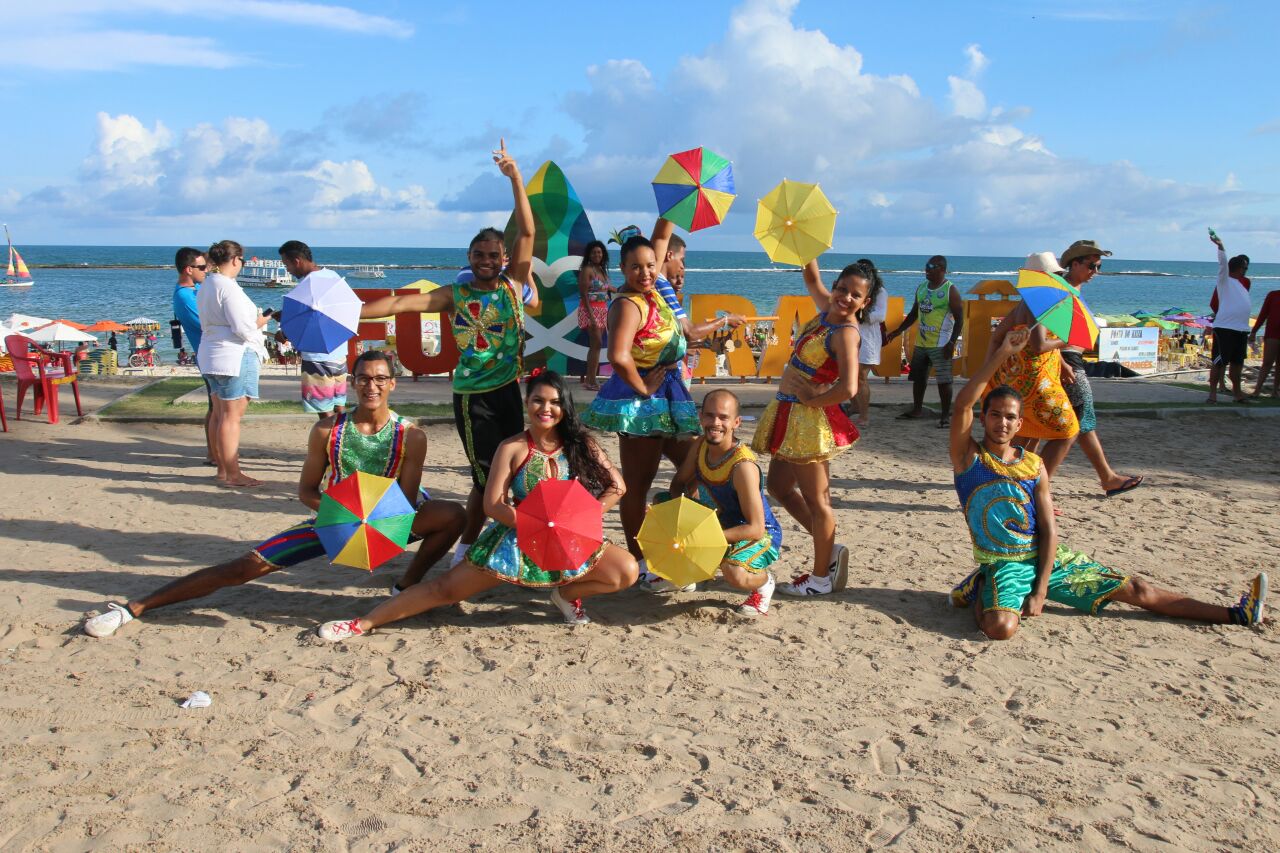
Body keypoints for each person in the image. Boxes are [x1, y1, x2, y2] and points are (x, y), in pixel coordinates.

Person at [83, 351, 468, 638]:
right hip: (334, 516)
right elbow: (306, 491)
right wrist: (343, 517)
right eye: (364, 378)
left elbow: (406, 499)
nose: (372, 386)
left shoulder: (410, 436)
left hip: (390, 516)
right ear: (352, 382)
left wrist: (375, 527)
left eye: (381, 379)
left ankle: (406, 585)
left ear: (392, 384)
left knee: (453, 515)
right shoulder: (328, 432)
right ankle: (135, 607)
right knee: (243, 569)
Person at [947, 330, 1266, 639]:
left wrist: (1041, 590)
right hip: (1004, 564)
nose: (1001, 423)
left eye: (1009, 417)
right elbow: (962, 404)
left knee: (1138, 589)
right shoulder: (969, 458)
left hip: (1045, 558)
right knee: (1001, 629)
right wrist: (1004, 352)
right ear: (983, 417)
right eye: (995, 415)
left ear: (1020, 423)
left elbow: (1048, 529)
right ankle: (983, 583)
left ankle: (1237, 613)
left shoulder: (1034, 465)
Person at [315, 370, 637, 640]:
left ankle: (565, 595)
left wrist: (580, 519)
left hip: (568, 536)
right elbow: (493, 504)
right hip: (517, 536)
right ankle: (362, 623)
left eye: (554, 402)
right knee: (445, 590)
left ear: (564, 406)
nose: (546, 408)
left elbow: (618, 486)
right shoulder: (512, 447)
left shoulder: (581, 443)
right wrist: (536, 525)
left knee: (625, 571)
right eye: (538, 400)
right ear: (527, 403)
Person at [359, 140, 536, 568]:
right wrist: (352, 312)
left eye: (493, 255)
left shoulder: (514, 285)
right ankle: (466, 554)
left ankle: (485, 547)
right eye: (478, 255)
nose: (486, 261)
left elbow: (528, 232)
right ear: (469, 257)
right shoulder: (455, 294)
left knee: (510, 472)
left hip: (508, 392)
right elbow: (401, 303)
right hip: (473, 399)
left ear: (504, 258)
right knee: (485, 479)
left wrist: (515, 178)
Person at [581, 222, 736, 593]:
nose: (645, 273)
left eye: (650, 265)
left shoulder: (656, 295)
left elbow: (673, 337)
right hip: (644, 405)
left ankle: (675, 542)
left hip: (669, 396)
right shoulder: (628, 303)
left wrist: (709, 337)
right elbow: (618, 356)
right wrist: (644, 388)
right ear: (622, 269)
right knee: (638, 484)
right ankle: (642, 563)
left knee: (697, 467)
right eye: (635, 267)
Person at [750, 258, 868, 597]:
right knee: (778, 487)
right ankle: (828, 547)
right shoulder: (828, 310)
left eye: (855, 295)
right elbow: (812, 278)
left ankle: (820, 579)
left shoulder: (846, 333)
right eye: (841, 288)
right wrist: (805, 249)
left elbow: (849, 388)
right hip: (790, 415)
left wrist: (812, 400)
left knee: (818, 501)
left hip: (807, 422)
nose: (845, 297)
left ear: (865, 302)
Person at [1032, 240, 1143, 497]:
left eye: (1099, 267)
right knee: (1076, 424)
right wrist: (1061, 363)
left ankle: (1106, 477)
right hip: (1068, 362)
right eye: (1091, 266)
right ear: (1074, 264)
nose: (1096, 272)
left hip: (1069, 361)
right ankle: (1036, 486)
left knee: (1076, 424)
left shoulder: (1071, 290)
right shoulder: (1062, 291)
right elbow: (1046, 333)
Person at [668, 389, 782, 617]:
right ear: (701, 417)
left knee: (734, 572)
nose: (715, 423)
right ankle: (689, 571)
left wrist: (701, 537)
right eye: (710, 416)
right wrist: (678, 519)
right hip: (719, 524)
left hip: (759, 535)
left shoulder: (743, 467)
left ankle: (764, 583)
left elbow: (756, 528)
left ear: (736, 422)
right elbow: (678, 484)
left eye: (723, 417)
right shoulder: (701, 445)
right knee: (662, 507)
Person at [983, 252, 1079, 445]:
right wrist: (1065, 340)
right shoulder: (1039, 304)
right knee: (1069, 430)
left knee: (1027, 432)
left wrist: (988, 372)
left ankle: (1020, 466)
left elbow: (996, 337)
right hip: (1038, 382)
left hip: (1018, 379)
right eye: (1057, 275)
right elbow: (1039, 345)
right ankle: (1042, 467)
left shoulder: (1024, 303)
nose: (1060, 279)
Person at [197, 240, 269, 488]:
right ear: (236, 260)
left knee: (219, 414)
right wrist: (262, 321)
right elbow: (243, 328)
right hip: (234, 354)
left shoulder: (207, 284)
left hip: (211, 352)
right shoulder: (227, 287)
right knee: (231, 417)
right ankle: (233, 473)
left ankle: (222, 470)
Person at [884, 256, 963, 427]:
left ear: (942, 269)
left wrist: (951, 342)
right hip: (921, 343)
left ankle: (945, 417)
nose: (927, 269)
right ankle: (917, 410)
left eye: (932, 266)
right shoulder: (921, 288)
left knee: (944, 381)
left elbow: (960, 319)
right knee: (919, 379)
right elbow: (913, 314)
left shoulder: (950, 290)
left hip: (941, 344)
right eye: (927, 265)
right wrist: (898, 331)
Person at [279, 241, 349, 419]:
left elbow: (306, 318)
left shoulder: (307, 285)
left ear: (297, 261)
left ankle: (329, 437)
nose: (288, 270)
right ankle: (344, 434)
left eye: (287, 265)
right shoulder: (332, 276)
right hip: (339, 351)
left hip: (316, 356)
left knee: (323, 407)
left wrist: (284, 332)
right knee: (339, 405)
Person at [172, 246, 215, 465]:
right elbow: (207, 323)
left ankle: (214, 451)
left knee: (217, 405)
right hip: (208, 355)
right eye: (201, 267)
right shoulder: (184, 296)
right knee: (216, 406)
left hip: (211, 353)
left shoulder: (195, 288)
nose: (205, 270)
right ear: (189, 269)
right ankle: (213, 452)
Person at [1207, 231, 1253, 404]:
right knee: (1219, 362)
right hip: (1225, 328)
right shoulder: (1225, 280)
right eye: (1244, 268)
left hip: (1241, 329)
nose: (1245, 271)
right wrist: (1220, 245)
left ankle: (1237, 393)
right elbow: (1222, 263)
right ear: (1238, 268)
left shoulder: (1241, 284)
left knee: (1237, 363)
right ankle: (1212, 394)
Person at [853, 257, 888, 428]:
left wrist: (861, 315)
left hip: (868, 339)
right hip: (851, 335)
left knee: (861, 377)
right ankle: (854, 407)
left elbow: (881, 315)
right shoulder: (852, 288)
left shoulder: (879, 291)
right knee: (847, 375)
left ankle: (864, 415)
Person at [577, 239, 612, 391]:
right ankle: (590, 381)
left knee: (596, 346)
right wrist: (591, 317)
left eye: (599, 252)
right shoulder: (587, 270)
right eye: (594, 253)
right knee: (595, 344)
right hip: (590, 310)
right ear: (589, 255)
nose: (597, 255)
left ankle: (591, 379)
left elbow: (607, 288)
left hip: (602, 310)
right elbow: (584, 294)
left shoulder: (601, 270)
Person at [1250, 287, 1280, 397]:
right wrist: (1254, 331)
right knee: (1267, 362)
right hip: (1273, 333)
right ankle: (1257, 390)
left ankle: (1275, 391)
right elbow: (1263, 314)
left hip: (1272, 332)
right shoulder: (1273, 295)